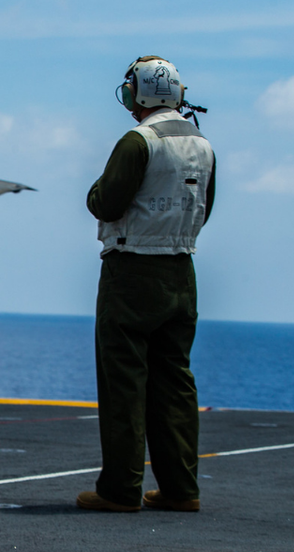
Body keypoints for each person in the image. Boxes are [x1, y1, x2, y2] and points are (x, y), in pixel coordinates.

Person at [76, 56, 216, 513]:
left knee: (124, 383)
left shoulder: (138, 141)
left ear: (139, 95)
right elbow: (204, 210)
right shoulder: (203, 145)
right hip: (182, 272)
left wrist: (96, 187)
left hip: (132, 272)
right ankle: (181, 489)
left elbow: (106, 204)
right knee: (175, 383)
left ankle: (120, 489)